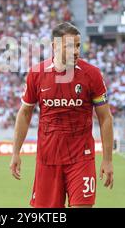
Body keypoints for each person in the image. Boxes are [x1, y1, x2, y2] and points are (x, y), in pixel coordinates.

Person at [10, 22, 114, 208]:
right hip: (48, 159)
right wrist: (15, 152)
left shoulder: (92, 74)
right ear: (54, 47)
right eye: (69, 46)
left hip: (81, 158)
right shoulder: (36, 74)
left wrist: (107, 159)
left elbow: (105, 118)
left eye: (77, 45)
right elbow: (25, 113)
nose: (75, 51)